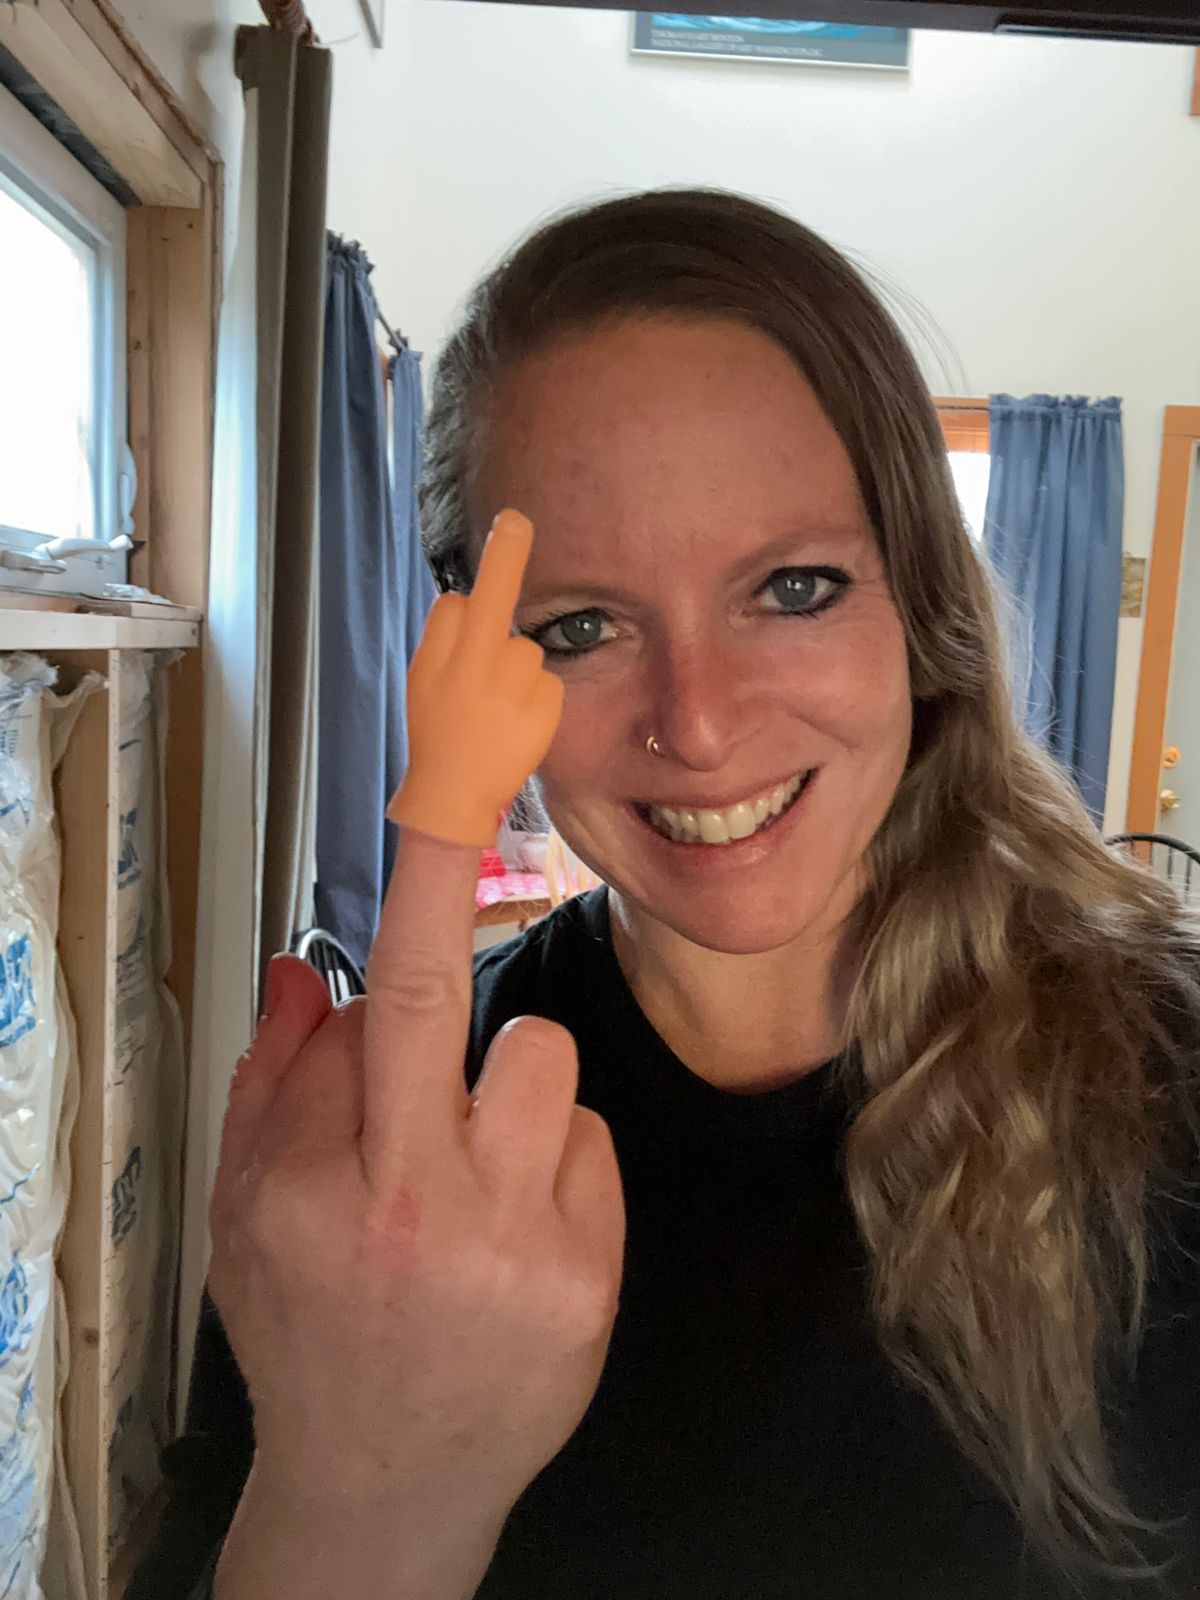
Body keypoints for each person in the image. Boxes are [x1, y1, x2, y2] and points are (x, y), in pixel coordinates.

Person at [128, 188, 1200, 1600]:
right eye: (581, 626)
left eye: (795, 588)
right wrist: (364, 1498)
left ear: (919, 602)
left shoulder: (1170, 1078)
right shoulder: (389, 1155)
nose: (696, 725)